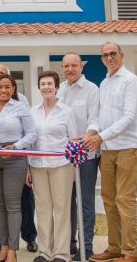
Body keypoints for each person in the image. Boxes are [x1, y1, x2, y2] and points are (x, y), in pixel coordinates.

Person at [85, 43, 137, 262]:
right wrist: (91, 133)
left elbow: (129, 117)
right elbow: (100, 116)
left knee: (125, 200)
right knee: (109, 199)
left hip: (129, 147)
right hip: (108, 150)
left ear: (121, 55)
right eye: (105, 55)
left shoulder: (131, 81)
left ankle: (131, 253)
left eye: (113, 54)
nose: (109, 57)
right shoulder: (104, 82)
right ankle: (114, 248)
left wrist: (101, 136)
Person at [0, 74, 36, 262]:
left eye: (7, 87)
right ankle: (3, 246)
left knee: (13, 205)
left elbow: (31, 134)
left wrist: (16, 147)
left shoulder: (21, 107)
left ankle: (13, 249)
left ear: (13, 89)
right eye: (0, 87)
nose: (3, 91)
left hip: (14, 158)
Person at [28, 71, 79, 262]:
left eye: (50, 83)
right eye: (43, 84)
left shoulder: (66, 111)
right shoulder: (32, 112)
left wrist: (74, 170)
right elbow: (29, 141)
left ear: (57, 87)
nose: (46, 87)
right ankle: (44, 252)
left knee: (61, 208)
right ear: (39, 87)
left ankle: (61, 253)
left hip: (61, 166)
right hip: (37, 165)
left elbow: (73, 140)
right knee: (42, 209)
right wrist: (27, 168)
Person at [57, 53, 100, 261]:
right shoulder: (61, 89)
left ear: (81, 67)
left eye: (74, 65)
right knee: (67, 202)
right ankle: (70, 244)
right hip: (64, 158)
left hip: (86, 155)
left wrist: (88, 137)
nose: (70, 69)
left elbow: (95, 118)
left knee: (85, 202)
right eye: (66, 65)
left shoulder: (92, 89)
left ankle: (87, 247)